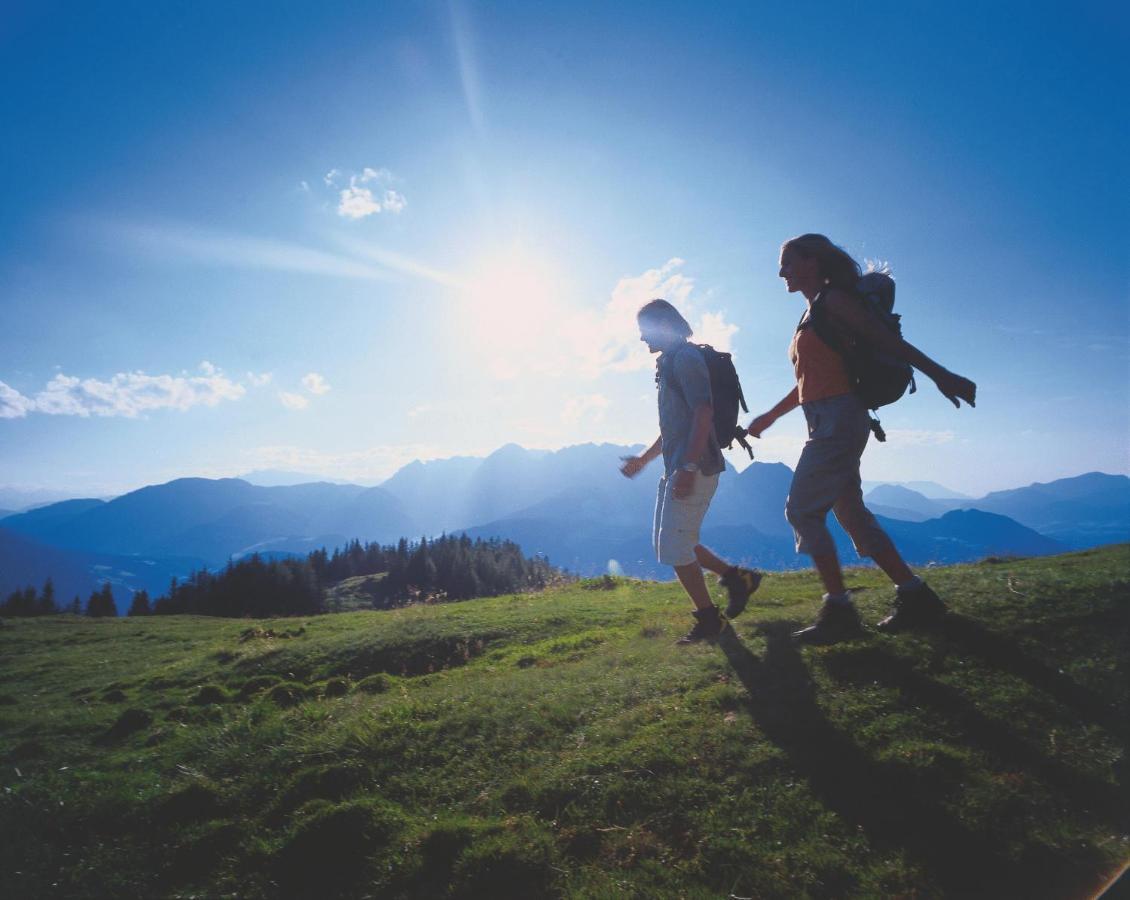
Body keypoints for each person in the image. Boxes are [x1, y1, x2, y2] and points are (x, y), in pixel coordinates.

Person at [746, 234, 977, 644]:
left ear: (814, 262)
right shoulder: (812, 312)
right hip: (826, 418)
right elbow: (806, 382)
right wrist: (769, 416)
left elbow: (888, 341)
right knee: (851, 513)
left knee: (801, 511)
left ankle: (839, 611)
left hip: (839, 419)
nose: (781, 272)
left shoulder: (834, 302)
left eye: (788, 262)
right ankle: (916, 596)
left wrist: (942, 375)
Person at [620, 299, 762, 643]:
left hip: (693, 466)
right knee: (672, 542)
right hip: (680, 465)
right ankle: (736, 577)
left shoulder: (685, 359)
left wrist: (687, 466)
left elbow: (703, 412)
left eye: (644, 330)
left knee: (674, 547)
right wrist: (645, 459)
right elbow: (674, 425)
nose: (641, 339)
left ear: (663, 325)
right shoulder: (669, 362)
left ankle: (710, 621)